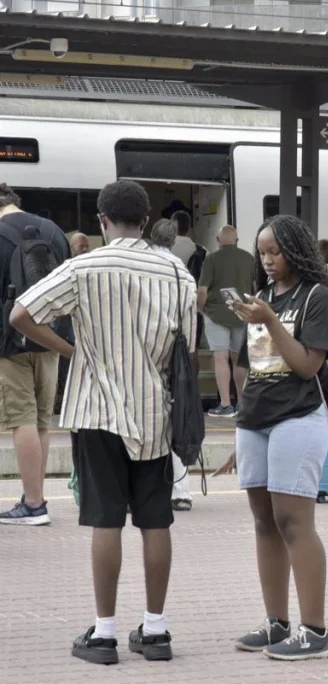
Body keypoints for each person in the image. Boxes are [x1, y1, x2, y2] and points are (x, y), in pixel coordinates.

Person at [10, 180, 195, 663]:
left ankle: (105, 633)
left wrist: (73, 350)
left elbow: (21, 313)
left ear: (101, 220)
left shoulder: (84, 265)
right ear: (146, 216)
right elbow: (186, 349)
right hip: (155, 413)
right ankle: (156, 631)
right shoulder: (177, 271)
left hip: (96, 410)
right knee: (156, 521)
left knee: (105, 521)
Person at [231, 214, 328, 659]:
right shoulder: (259, 297)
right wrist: (243, 417)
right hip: (255, 418)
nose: (268, 260)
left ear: (295, 250)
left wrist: (272, 320)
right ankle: (276, 624)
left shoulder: (318, 296)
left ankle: (315, 631)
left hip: (298, 416)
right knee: (263, 523)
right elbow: (250, 363)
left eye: (275, 252)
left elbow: (307, 365)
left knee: (294, 522)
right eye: (262, 253)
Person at [0, 181, 72, 526]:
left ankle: (33, 503)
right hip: (49, 336)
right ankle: (36, 496)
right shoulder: (53, 231)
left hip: (8, 341)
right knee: (42, 419)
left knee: (21, 418)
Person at [149, 218, 196, 512]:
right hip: (174, 357)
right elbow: (189, 327)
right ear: (175, 238)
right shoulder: (183, 274)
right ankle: (181, 490)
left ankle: (147, 487)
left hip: (142, 354)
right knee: (177, 421)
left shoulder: (141, 266)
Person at [197, 224, 255, 418]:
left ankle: (225, 405)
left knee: (220, 358)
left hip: (216, 314)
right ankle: (241, 403)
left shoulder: (211, 259)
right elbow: (255, 287)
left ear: (218, 240)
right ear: (236, 240)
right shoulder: (249, 258)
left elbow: (202, 290)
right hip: (242, 313)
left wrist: (200, 308)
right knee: (239, 359)